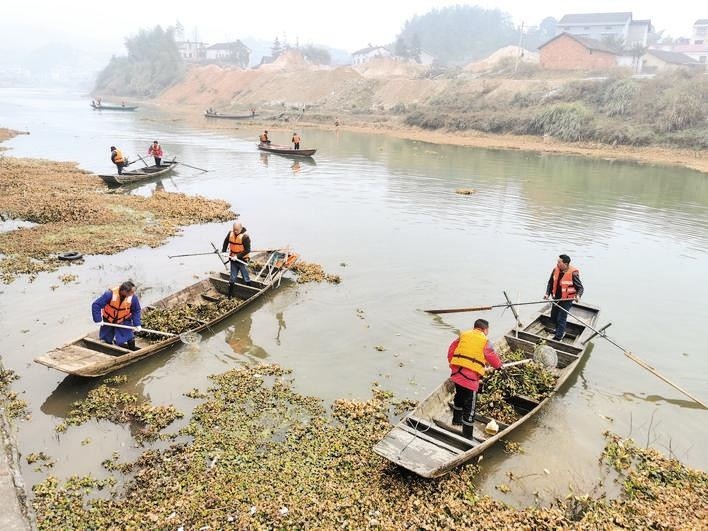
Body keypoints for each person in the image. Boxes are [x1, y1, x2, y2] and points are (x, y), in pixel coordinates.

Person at [447, 318, 503, 439]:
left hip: (457, 375)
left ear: (474, 327)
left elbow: (451, 351)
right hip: (470, 381)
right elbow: (490, 355)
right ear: (485, 329)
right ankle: (467, 436)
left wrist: (454, 366)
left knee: (459, 397)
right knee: (470, 408)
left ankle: (456, 420)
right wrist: (499, 366)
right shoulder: (485, 340)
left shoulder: (463, 335)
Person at [91, 281, 142, 351]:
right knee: (106, 338)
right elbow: (96, 305)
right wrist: (98, 319)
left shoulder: (133, 298)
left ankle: (132, 350)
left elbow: (136, 310)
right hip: (108, 319)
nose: (133, 294)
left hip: (123, 320)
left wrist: (137, 324)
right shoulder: (110, 294)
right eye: (131, 292)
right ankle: (108, 351)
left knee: (129, 337)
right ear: (124, 291)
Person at [544, 254, 584, 341]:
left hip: (566, 299)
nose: (557, 263)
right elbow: (550, 282)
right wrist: (547, 293)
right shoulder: (555, 269)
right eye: (557, 261)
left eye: (559, 262)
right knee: (553, 316)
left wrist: (578, 296)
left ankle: (558, 337)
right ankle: (558, 330)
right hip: (556, 297)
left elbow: (580, 287)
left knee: (561, 318)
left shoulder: (573, 273)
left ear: (565, 264)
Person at [221, 221, 251, 298]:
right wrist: (224, 251)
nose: (235, 231)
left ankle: (250, 290)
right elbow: (226, 242)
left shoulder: (245, 237)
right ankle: (229, 295)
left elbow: (247, 250)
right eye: (234, 229)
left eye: (237, 230)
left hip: (242, 260)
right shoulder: (230, 233)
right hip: (233, 259)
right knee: (232, 277)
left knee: (245, 276)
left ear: (241, 229)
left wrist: (237, 256)